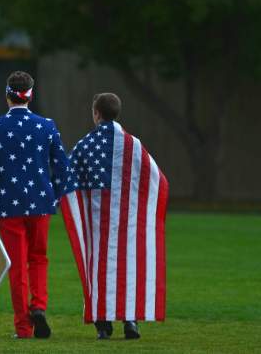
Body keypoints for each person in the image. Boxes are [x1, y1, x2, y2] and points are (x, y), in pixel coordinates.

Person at [0, 71, 74, 339]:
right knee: (39, 258)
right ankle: (38, 306)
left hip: (10, 205)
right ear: (31, 95)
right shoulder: (47, 126)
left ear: (7, 95)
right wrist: (57, 196)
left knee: (16, 265)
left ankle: (23, 327)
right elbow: (64, 169)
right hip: (42, 204)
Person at [60, 92, 168, 341]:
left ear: (96, 113)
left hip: (98, 222)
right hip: (127, 222)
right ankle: (131, 322)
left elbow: (68, 180)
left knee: (99, 271)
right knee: (129, 269)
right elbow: (156, 180)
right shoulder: (133, 145)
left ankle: (103, 325)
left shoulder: (85, 145)